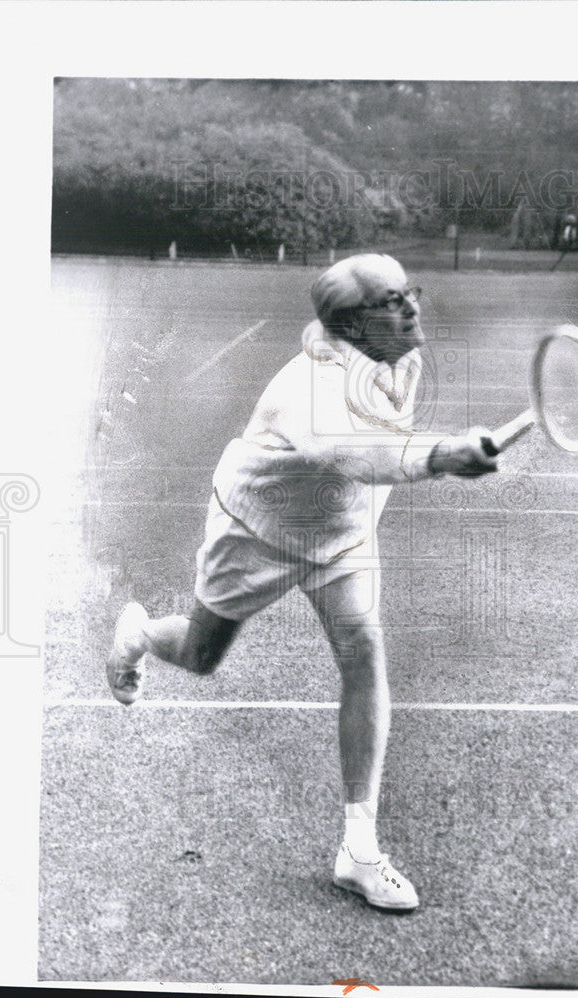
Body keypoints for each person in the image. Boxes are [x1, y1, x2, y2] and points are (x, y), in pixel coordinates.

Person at [106, 253, 498, 911]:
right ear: (350, 321)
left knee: (364, 652)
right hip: (258, 527)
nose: (412, 309)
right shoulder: (308, 390)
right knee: (202, 654)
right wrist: (441, 455)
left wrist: (443, 453)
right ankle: (140, 632)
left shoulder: (401, 352)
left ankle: (360, 853)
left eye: (411, 294)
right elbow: (358, 453)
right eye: (392, 301)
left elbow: (376, 446)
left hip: (340, 534)